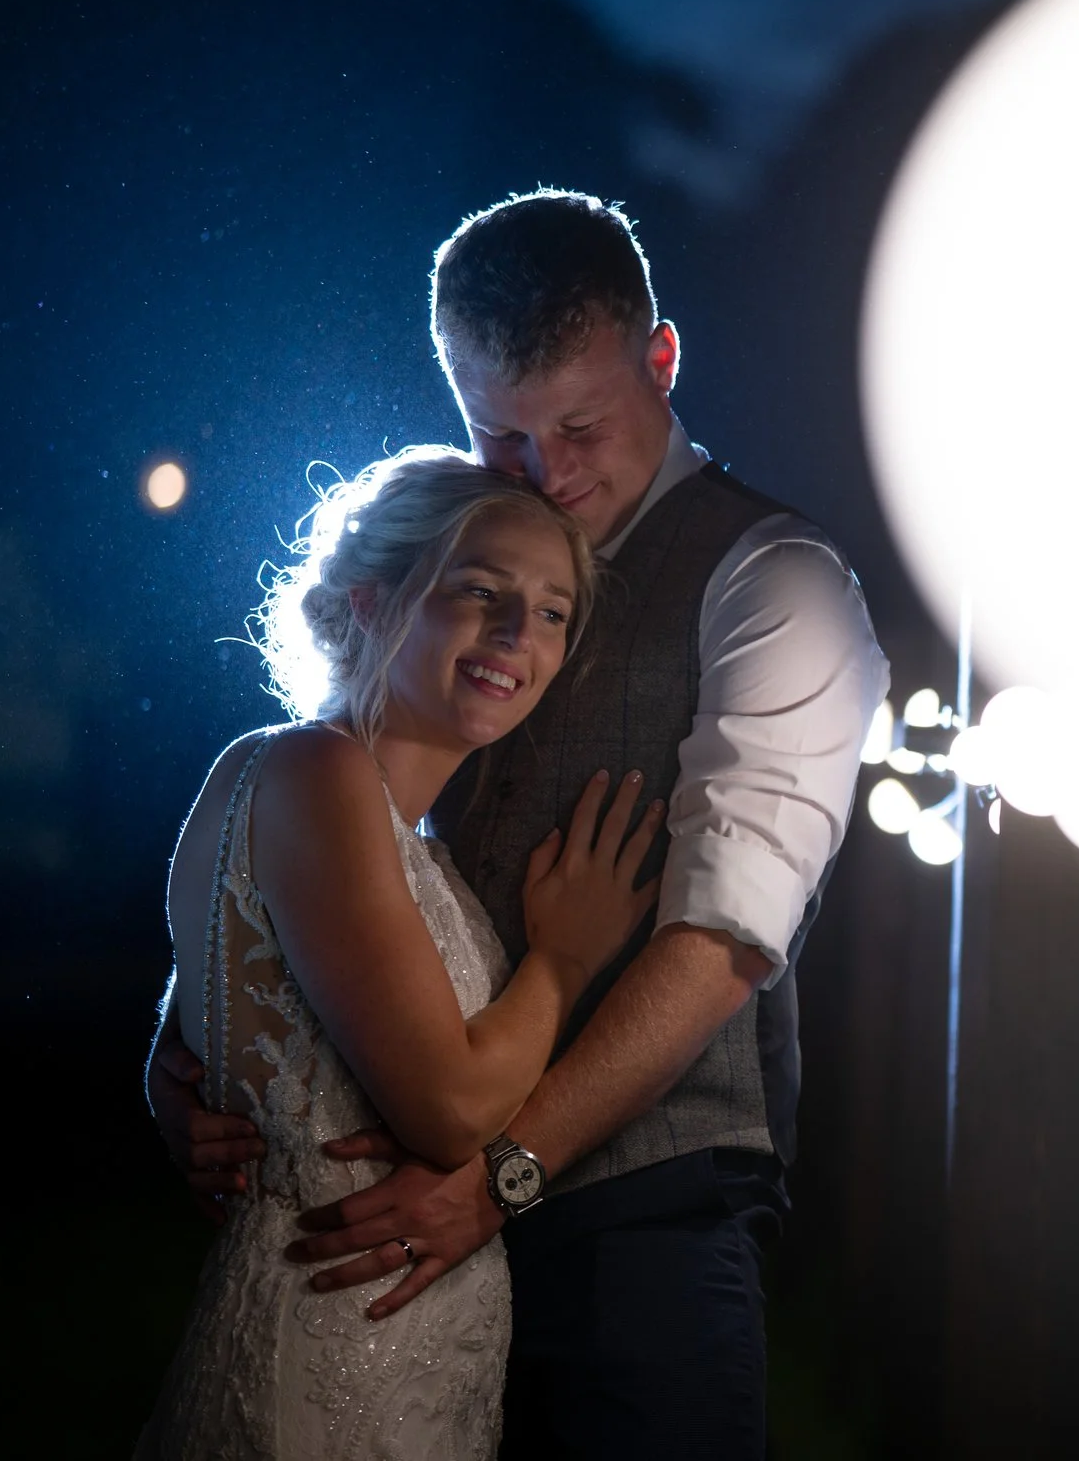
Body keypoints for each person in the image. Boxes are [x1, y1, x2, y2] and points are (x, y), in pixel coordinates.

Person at [148, 190, 888, 1459]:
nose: (547, 471)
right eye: (500, 432)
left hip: (638, 1224)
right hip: (407, 1235)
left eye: (580, 426)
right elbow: (297, 851)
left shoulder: (779, 582)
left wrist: (498, 1176)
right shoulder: (458, 561)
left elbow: (727, 938)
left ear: (661, 359)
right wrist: (186, 1046)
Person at [140, 448, 662, 1459]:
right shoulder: (315, 768)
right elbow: (450, 1109)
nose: (517, 634)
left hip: (405, 1369)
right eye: (481, 591)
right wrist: (562, 961)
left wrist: (164, 1069)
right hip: (330, 1365)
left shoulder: (392, 834)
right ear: (371, 599)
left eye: (553, 611)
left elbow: (230, 1002)